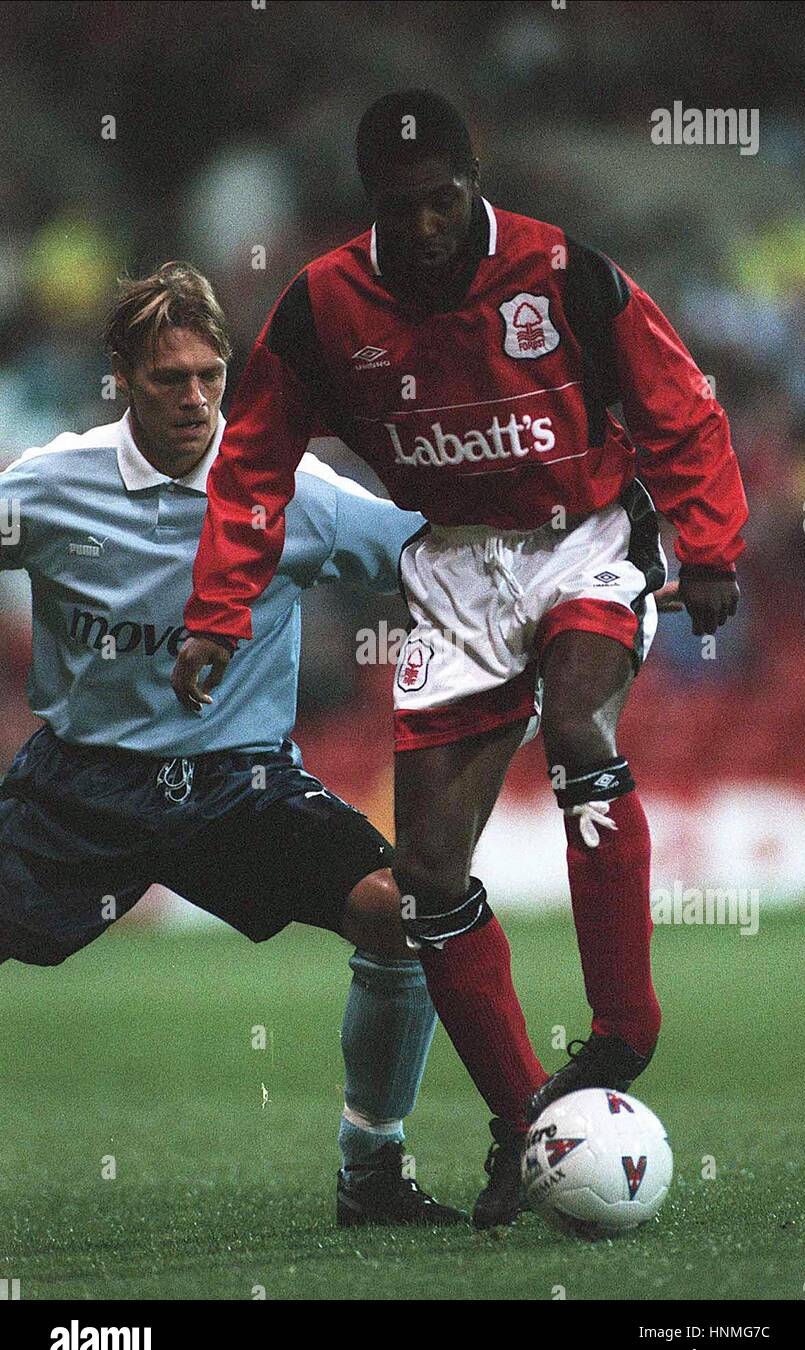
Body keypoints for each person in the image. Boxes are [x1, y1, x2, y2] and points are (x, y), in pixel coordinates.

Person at [173, 92, 748, 1229]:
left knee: (582, 723)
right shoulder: (322, 307)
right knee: (429, 876)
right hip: (451, 572)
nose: (427, 226)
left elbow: (679, 405)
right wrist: (217, 611)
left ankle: (624, 1026)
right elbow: (252, 467)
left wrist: (714, 547)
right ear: (372, 207)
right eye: (403, 208)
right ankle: (522, 1120)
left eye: (443, 200)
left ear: (470, 183)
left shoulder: (564, 271)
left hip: (584, 537)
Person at [0, 261, 465, 1229]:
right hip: (79, 783)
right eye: (171, 378)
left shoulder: (294, 488)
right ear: (120, 376)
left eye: (212, 374)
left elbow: (430, 551)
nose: (198, 398)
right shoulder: (47, 488)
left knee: (398, 911)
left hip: (235, 785)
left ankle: (370, 1168)